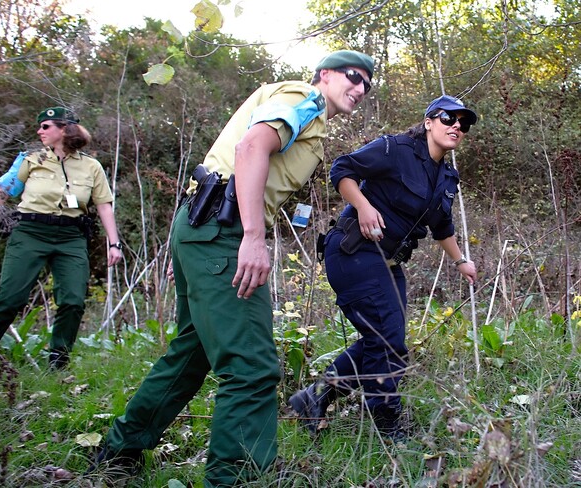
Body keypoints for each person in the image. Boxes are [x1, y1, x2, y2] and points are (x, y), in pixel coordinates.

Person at [89, 50, 375, 486]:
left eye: (367, 85)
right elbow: (250, 147)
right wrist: (253, 237)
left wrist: (189, 247)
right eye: (353, 77)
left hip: (204, 229)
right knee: (251, 366)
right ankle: (238, 477)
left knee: (191, 353)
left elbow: (224, 164)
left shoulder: (310, 122)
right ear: (324, 75)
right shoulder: (306, 98)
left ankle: (117, 454)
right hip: (223, 231)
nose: (359, 88)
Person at [289, 95, 478, 439]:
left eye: (463, 124)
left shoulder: (447, 176)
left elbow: (442, 225)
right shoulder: (395, 149)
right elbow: (342, 169)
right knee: (389, 340)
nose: (456, 127)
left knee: (382, 337)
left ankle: (313, 398)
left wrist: (461, 260)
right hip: (353, 252)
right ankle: (388, 424)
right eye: (449, 118)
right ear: (429, 121)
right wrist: (362, 206)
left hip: (388, 262)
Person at [0, 107, 123, 369]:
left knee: (73, 300)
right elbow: (2, 194)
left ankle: (58, 363)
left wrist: (114, 244)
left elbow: (104, 205)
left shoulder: (91, 167)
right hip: (31, 233)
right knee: (9, 299)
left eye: (45, 126)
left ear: (64, 129)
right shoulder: (30, 159)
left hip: (71, 236)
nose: (39, 131)